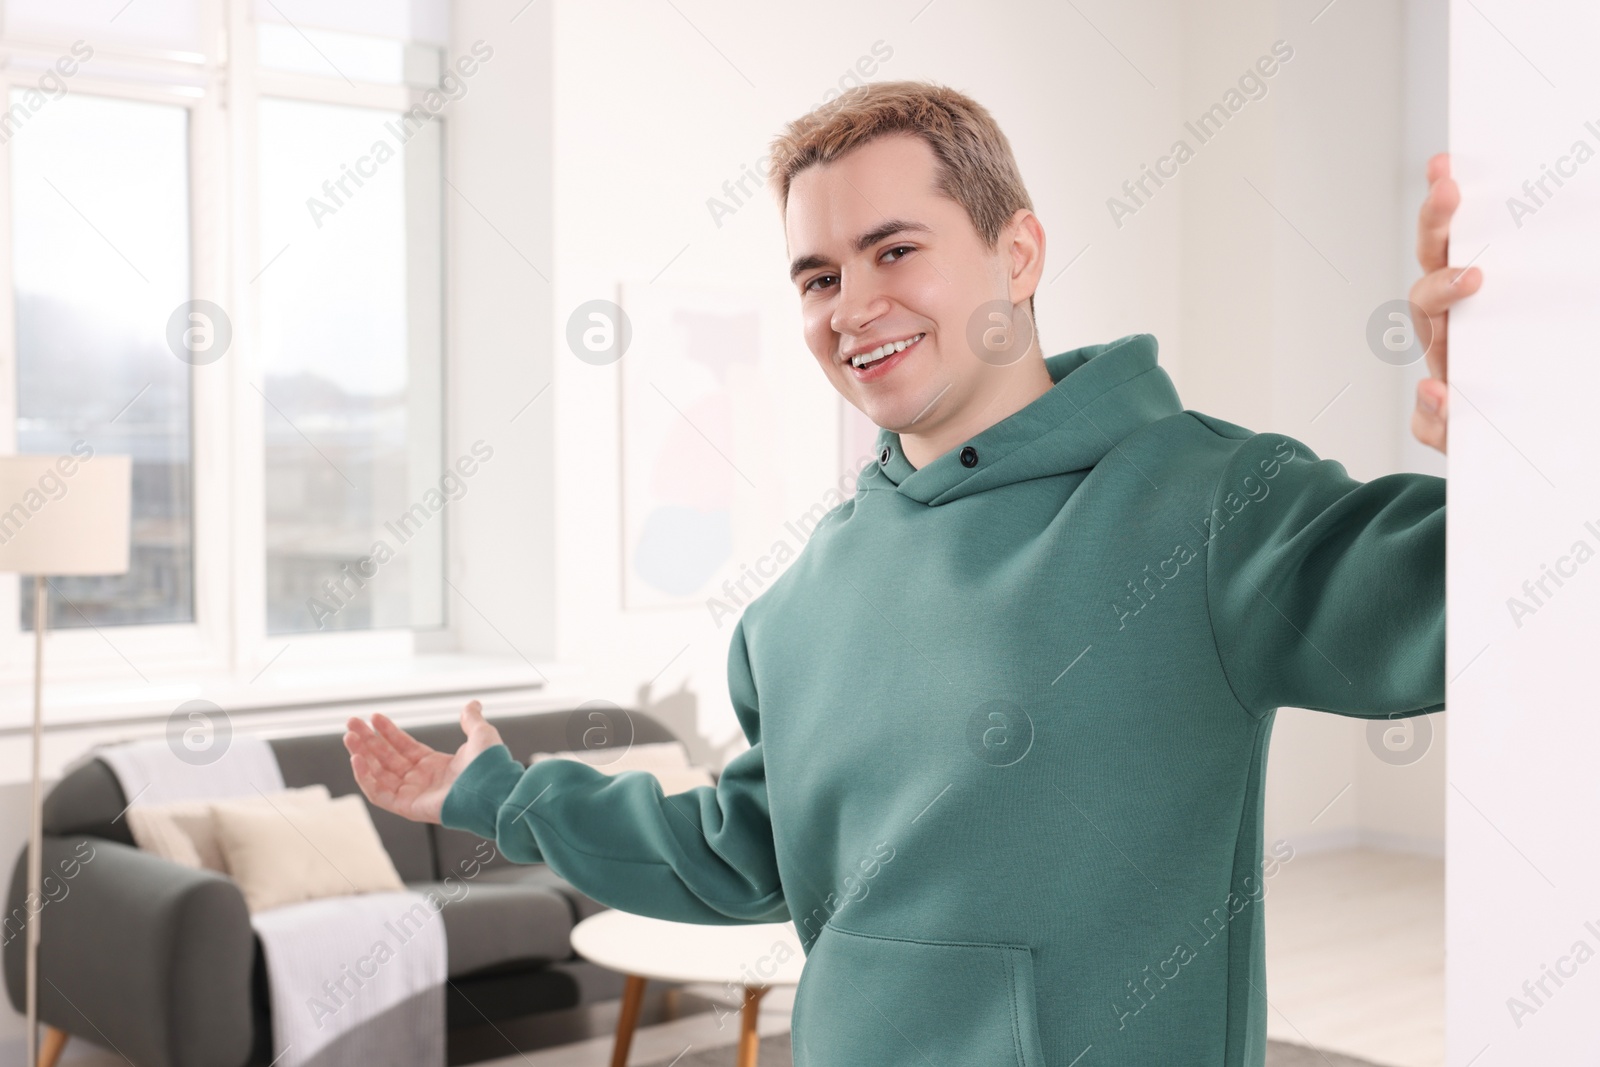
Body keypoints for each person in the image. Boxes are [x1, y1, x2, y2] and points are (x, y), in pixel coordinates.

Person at [345, 81, 1475, 1066]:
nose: (851, 306)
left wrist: (1512, 446)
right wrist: (490, 795)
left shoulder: (1210, 504)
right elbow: (742, 852)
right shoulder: (798, 604)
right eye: (815, 275)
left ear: (1017, 252)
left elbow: (1468, 610)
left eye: (894, 250)